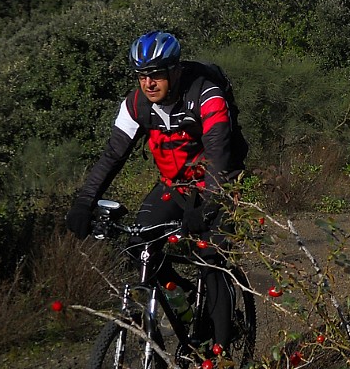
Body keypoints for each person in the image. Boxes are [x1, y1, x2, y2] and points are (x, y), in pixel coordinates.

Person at [66, 30, 246, 352]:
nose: (148, 83)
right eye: (141, 76)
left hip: (217, 184)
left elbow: (220, 153)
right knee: (140, 245)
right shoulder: (136, 104)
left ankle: (226, 361)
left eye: (156, 75)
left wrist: (206, 208)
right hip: (173, 185)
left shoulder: (207, 95)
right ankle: (184, 303)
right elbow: (112, 156)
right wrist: (83, 202)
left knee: (211, 260)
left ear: (175, 70)